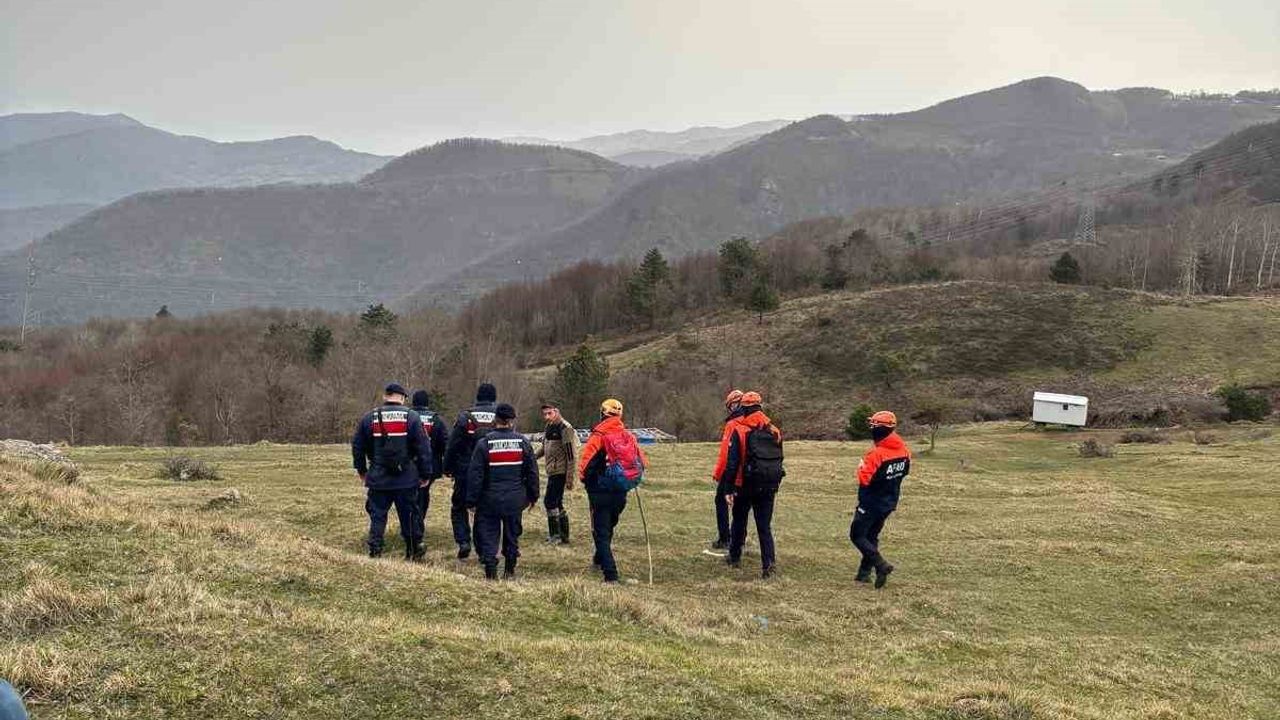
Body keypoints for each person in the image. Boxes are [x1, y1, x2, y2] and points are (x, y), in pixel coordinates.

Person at [351, 382, 433, 560]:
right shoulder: (411, 417)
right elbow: (423, 448)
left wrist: (362, 470)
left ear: (385, 396)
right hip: (406, 478)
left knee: (377, 515)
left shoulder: (369, 417)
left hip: (379, 476)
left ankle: (375, 549)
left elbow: (357, 446)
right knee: (409, 515)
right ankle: (413, 551)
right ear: (402, 398)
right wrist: (426, 474)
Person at [465, 403, 539, 580]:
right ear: (511, 421)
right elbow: (532, 471)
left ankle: (491, 570)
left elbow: (475, 475)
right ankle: (510, 570)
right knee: (512, 534)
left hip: (489, 499)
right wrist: (533, 495)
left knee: (489, 533)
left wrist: (471, 501)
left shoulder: (484, 444)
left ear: (495, 419)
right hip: (515, 499)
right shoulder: (523, 442)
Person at [578, 398, 646, 583]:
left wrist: (585, 481)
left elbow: (585, 466)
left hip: (599, 491)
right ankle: (599, 559)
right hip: (621, 491)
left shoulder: (598, 436)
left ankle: (610, 575)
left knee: (600, 531)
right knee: (608, 526)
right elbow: (642, 462)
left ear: (602, 413)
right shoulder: (628, 436)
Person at [717, 391, 784, 579]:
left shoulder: (740, 430)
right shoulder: (774, 430)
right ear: (760, 407)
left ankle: (735, 556)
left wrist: (728, 488)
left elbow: (732, 463)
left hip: (744, 484)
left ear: (744, 408)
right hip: (769, 485)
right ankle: (768, 564)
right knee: (764, 526)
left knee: (739, 521)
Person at [850, 410, 911, 589]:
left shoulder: (876, 454)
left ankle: (881, 565)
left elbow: (864, 479)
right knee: (872, 536)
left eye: (874, 426)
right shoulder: (904, 451)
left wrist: (862, 466)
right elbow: (904, 473)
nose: (871, 429)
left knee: (857, 535)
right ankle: (863, 574)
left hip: (871, 502)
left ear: (879, 429)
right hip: (889, 501)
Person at [443, 383, 498, 559]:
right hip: (491, 473)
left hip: (464, 471)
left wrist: (448, 467)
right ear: (494, 397)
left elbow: (453, 445)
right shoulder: (500, 416)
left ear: (478, 397)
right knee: (484, 510)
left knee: (459, 507)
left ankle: (464, 541)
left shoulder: (465, 417)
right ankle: (483, 549)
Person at [535, 402, 579, 544]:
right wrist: (532, 457)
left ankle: (556, 535)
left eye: (550, 413)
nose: (547, 417)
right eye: (545, 414)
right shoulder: (548, 427)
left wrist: (570, 478)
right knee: (557, 502)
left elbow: (571, 455)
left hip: (560, 471)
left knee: (550, 501)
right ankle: (563, 535)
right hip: (552, 470)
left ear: (556, 411)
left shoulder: (565, 428)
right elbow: (544, 447)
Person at [410, 389, 448, 548]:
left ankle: (413, 525)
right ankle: (418, 523)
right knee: (423, 496)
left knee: (411, 496)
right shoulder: (436, 419)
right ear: (427, 403)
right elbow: (445, 443)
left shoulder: (408, 416)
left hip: (409, 464)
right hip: (431, 465)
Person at [709, 389, 745, 550]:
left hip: (731, 471)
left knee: (721, 500)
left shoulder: (732, 424)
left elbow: (725, 453)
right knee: (742, 506)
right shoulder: (753, 421)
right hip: (748, 471)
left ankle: (725, 538)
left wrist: (718, 473)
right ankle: (740, 538)